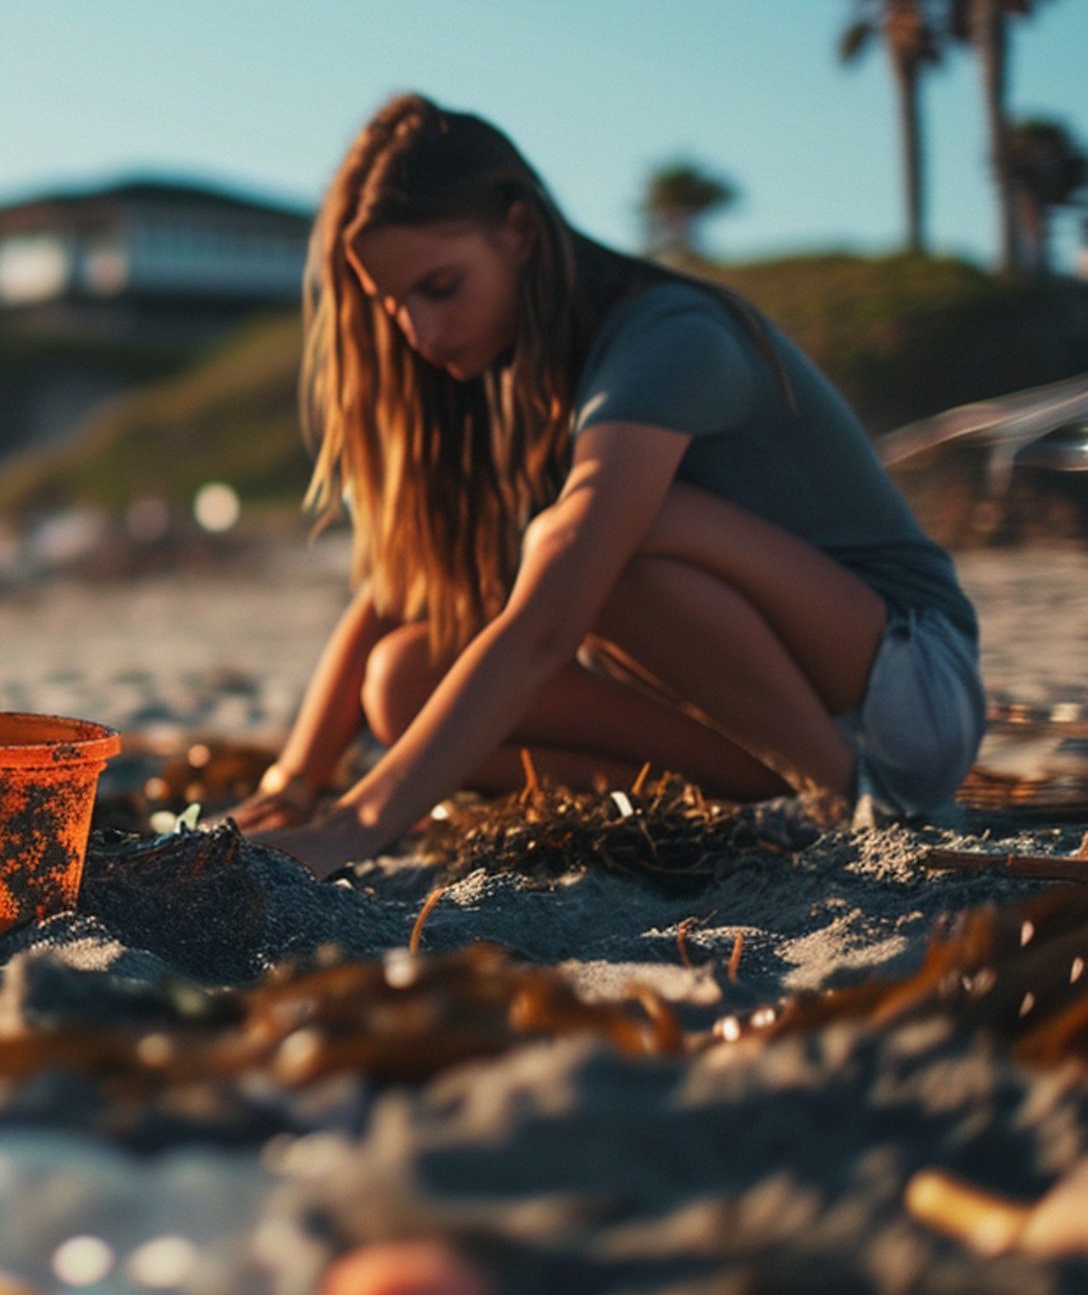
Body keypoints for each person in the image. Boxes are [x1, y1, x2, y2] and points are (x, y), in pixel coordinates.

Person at [235, 95, 983, 875]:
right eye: (392, 306)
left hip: (908, 688)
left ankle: (843, 792)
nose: (419, 334)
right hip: (763, 706)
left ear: (520, 230)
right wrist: (294, 783)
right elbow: (398, 587)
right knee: (403, 681)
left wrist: (352, 827)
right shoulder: (527, 376)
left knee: (599, 539)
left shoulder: (668, 338)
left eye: (442, 286)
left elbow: (553, 617)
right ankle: (762, 804)